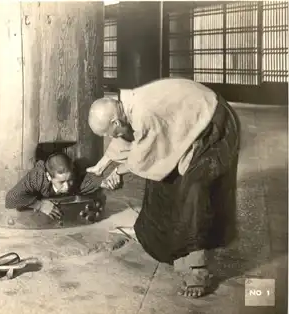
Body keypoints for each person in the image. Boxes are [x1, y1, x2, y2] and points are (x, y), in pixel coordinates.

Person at [87, 78, 241, 298]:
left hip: (213, 124)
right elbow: (126, 139)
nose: (110, 138)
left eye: (108, 133)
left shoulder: (142, 113)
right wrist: (103, 165)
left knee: (193, 189)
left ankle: (199, 270)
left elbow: (142, 156)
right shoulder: (126, 105)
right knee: (163, 183)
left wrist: (118, 172)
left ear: (115, 122)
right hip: (190, 123)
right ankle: (176, 249)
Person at [5, 152, 104, 219]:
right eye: (61, 182)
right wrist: (40, 205)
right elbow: (11, 198)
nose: (67, 187)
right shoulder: (38, 177)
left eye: (69, 180)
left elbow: (97, 179)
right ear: (48, 176)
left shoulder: (76, 175)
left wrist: (107, 180)